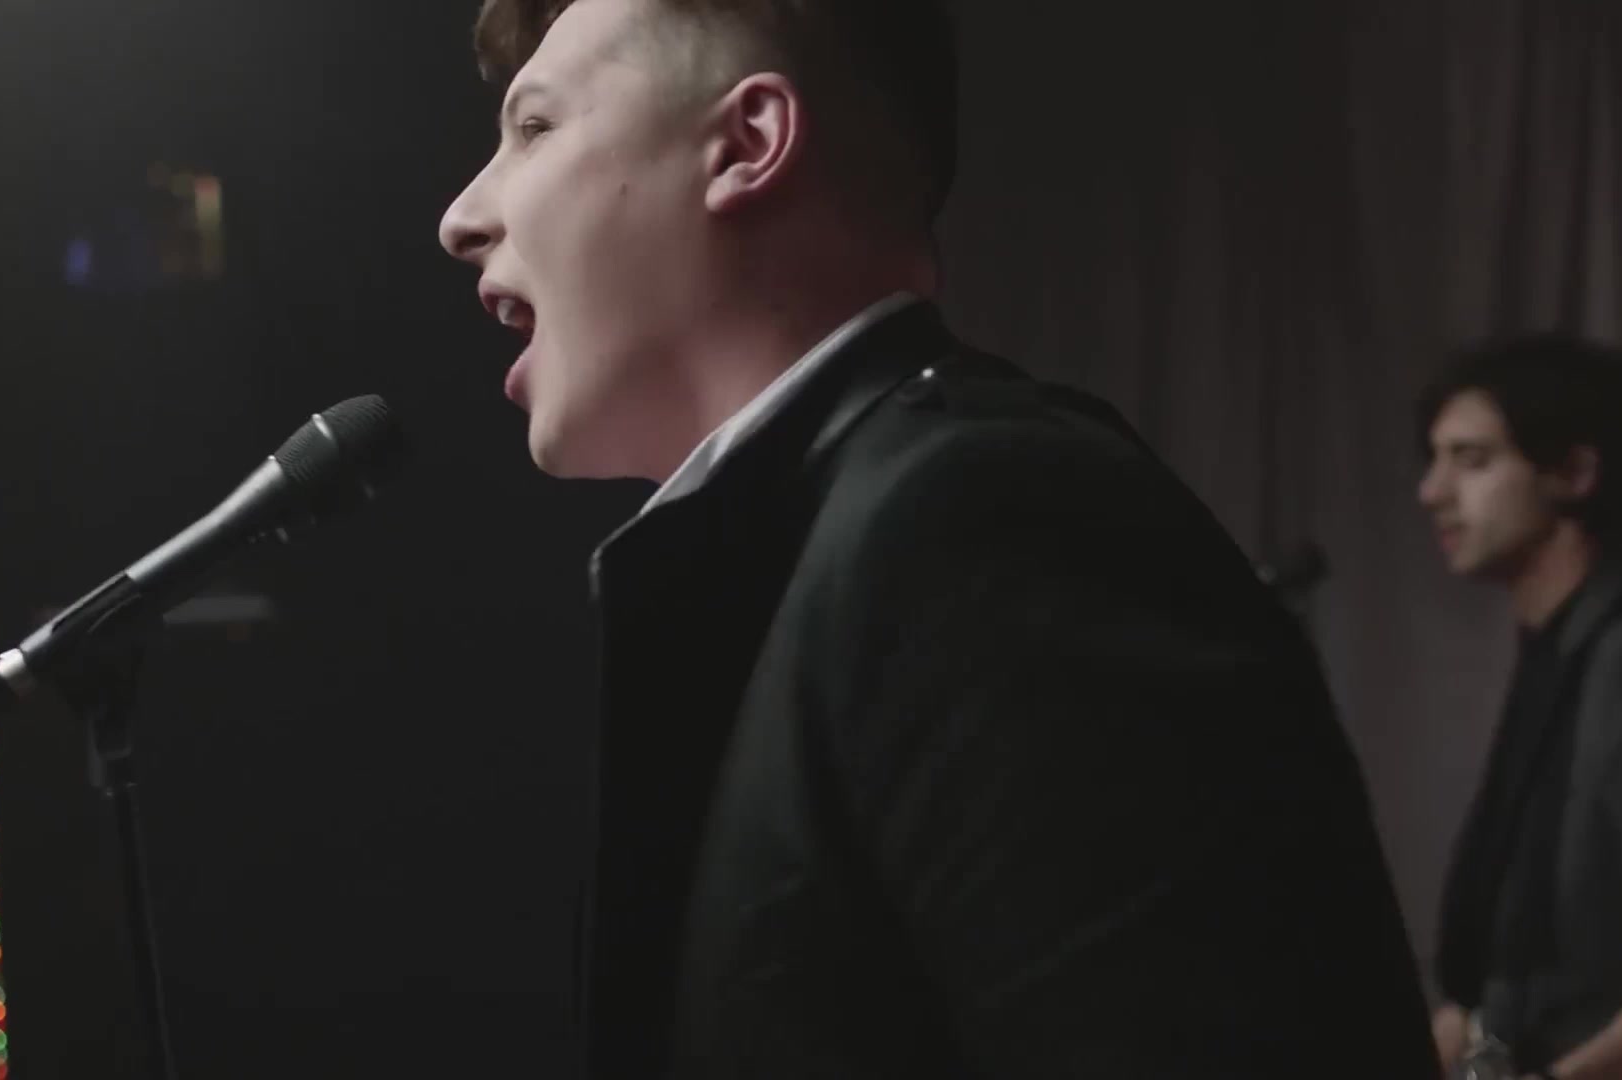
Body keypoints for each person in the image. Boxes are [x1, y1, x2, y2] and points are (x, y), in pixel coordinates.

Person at [438, 0, 1436, 1075]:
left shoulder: (985, 517)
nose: (461, 216)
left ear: (746, 143)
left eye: (534, 127)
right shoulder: (821, 552)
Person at [1418, 335, 1622, 1080]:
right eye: (1435, 459)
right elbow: (1505, 979)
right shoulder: (1558, 653)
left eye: (1472, 460)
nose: (1431, 491)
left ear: (1575, 473)